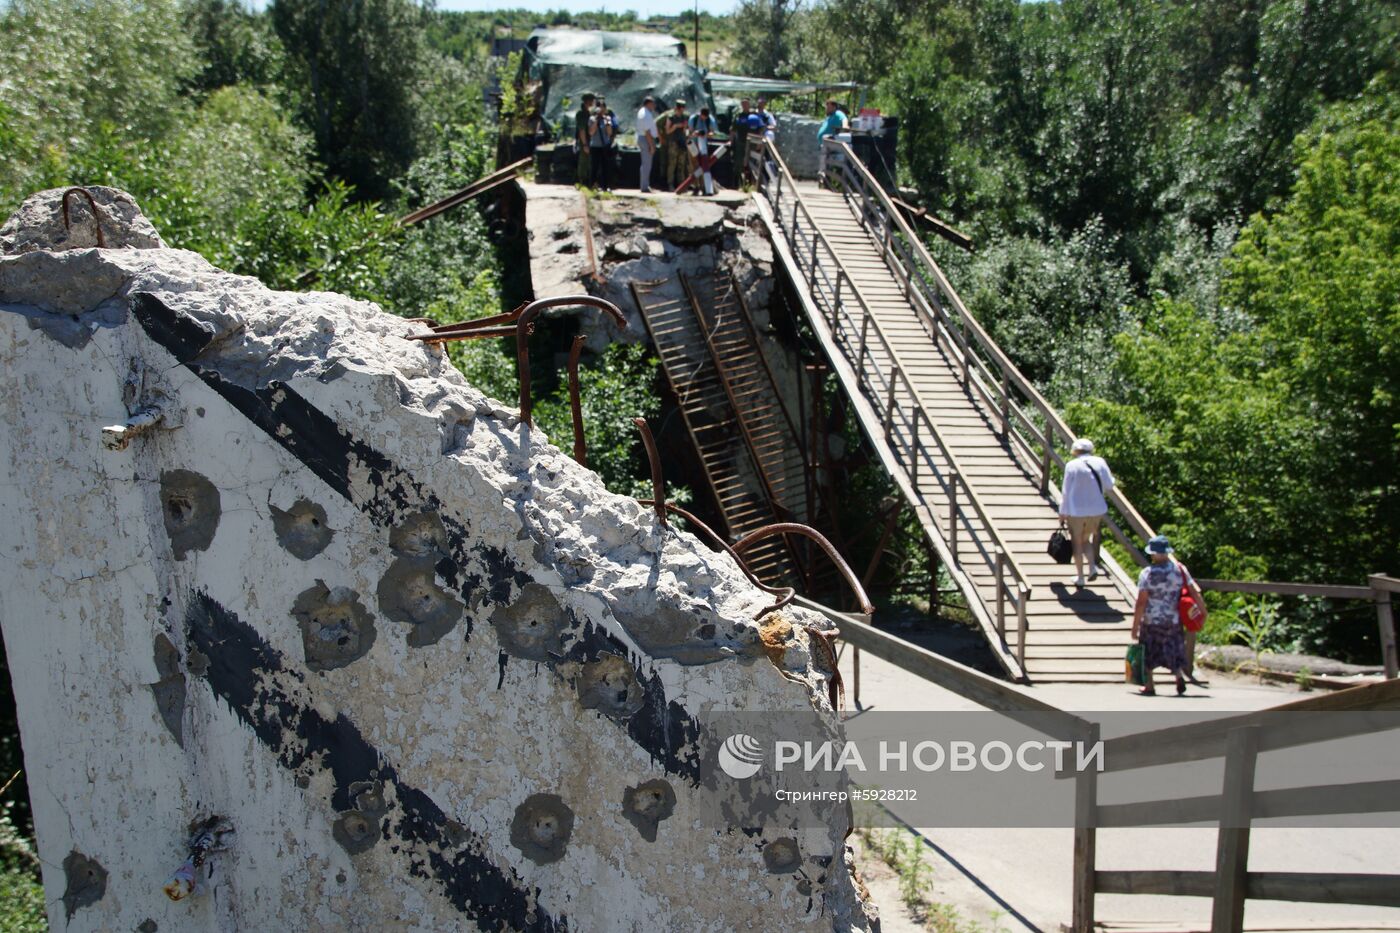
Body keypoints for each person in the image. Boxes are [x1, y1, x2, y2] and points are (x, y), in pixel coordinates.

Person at [1132, 535, 1206, 696]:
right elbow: (1194, 591)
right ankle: (1178, 676)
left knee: (1148, 651)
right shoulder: (1180, 570)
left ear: (1154, 553)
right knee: (1173, 650)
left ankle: (1149, 685)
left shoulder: (1147, 573)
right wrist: (1203, 610)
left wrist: (1135, 625)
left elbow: (1141, 602)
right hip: (1173, 618)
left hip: (1151, 619)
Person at [1058, 437, 1114, 587]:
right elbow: (1110, 485)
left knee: (1077, 542)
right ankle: (1092, 567)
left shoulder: (1072, 465)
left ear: (1075, 451)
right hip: (1096, 510)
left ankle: (1080, 577)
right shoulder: (1100, 462)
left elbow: (1066, 491)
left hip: (1076, 510)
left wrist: (1062, 512)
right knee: (1086, 539)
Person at [687, 105, 718, 195]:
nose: (704, 119)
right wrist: (695, 134)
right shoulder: (693, 118)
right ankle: (696, 186)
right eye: (703, 117)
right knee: (694, 166)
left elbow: (713, 132)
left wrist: (706, 134)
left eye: (706, 117)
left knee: (703, 165)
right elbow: (690, 132)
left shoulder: (710, 119)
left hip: (703, 145)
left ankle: (704, 186)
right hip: (693, 145)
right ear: (700, 114)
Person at [816, 97, 849, 183]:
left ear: (834, 107)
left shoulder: (838, 113)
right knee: (824, 159)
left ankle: (823, 174)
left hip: (830, 142)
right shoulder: (829, 117)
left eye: (828, 107)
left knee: (825, 157)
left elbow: (844, 119)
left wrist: (845, 126)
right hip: (823, 143)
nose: (826, 109)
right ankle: (824, 177)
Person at [663, 100, 690, 191]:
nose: (682, 111)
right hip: (673, 142)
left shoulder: (685, 117)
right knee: (672, 164)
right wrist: (675, 126)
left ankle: (681, 184)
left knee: (681, 165)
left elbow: (686, 131)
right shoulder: (671, 117)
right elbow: (667, 131)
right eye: (680, 108)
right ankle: (670, 184)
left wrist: (685, 127)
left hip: (682, 142)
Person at [587, 100, 613, 190]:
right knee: (594, 166)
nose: (601, 109)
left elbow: (609, 133)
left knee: (605, 166)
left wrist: (607, 123)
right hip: (595, 146)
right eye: (600, 107)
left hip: (605, 146)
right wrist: (596, 120)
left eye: (603, 107)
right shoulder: (592, 119)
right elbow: (591, 132)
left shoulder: (608, 118)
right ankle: (593, 185)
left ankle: (606, 186)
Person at [636, 96, 659, 192]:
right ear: (648, 103)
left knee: (646, 163)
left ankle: (645, 185)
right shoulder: (645, 114)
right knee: (646, 164)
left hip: (644, 138)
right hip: (646, 139)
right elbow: (647, 131)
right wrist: (651, 145)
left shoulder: (644, 112)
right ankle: (644, 187)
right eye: (653, 104)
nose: (654, 106)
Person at [574, 92, 595, 187]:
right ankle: (583, 181)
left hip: (590, 140)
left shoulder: (589, 113)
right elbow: (582, 130)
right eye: (591, 101)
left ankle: (589, 181)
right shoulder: (582, 114)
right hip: (585, 141)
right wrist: (585, 144)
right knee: (584, 161)